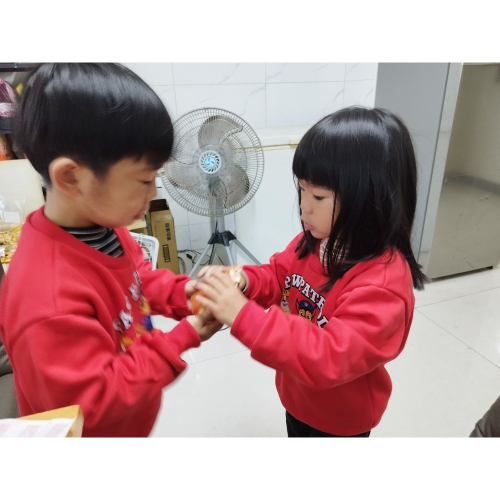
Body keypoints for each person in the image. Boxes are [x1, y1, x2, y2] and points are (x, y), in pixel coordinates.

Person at [0, 63, 221, 437]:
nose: (153, 193)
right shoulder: (47, 299)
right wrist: (185, 335)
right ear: (72, 177)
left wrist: (187, 292)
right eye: (144, 180)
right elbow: (94, 403)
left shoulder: (104, 228)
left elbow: (137, 280)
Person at [194, 106, 427, 437]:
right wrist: (242, 281)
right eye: (302, 189)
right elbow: (277, 275)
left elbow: (328, 356)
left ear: (369, 198)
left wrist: (243, 315)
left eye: (318, 195)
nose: (304, 207)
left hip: (341, 421)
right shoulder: (314, 242)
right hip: (297, 396)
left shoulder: (382, 285)